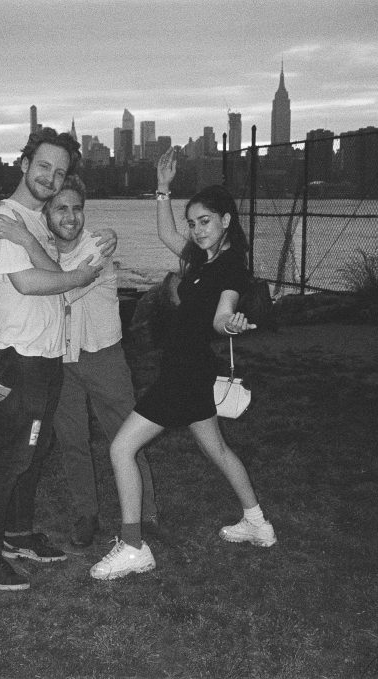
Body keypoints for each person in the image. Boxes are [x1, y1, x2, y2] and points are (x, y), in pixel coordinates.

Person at [90, 148, 277, 581]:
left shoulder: (230, 268)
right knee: (217, 449)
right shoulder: (200, 258)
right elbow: (165, 233)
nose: (196, 230)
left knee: (121, 448)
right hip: (193, 373)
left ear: (226, 220)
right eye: (193, 223)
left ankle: (134, 548)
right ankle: (257, 523)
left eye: (205, 221)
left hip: (183, 376)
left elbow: (222, 313)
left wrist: (229, 323)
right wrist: (162, 188)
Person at [0, 174, 159, 549]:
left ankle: (146, 514)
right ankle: (87, 514)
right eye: (61, 208)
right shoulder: (44, 248)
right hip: (61, 359)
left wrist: (26, 241)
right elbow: (22, 283)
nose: (70, 216)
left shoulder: (98, 245)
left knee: (126, 436)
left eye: (77, 208)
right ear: (46, 214)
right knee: (72, 442)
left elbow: (64, 287)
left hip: (104, 357)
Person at [0, 127, 104, 592]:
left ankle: (18, 535)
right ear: (24, 164)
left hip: (46, 356)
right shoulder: (7, 217)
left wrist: (24, 244)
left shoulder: (30, 221)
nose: (51, 177)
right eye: (44, 166)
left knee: (35, 450)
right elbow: (27, 283)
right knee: (13, 456)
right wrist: (77, 276)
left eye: (60, 172)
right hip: (21, 358)